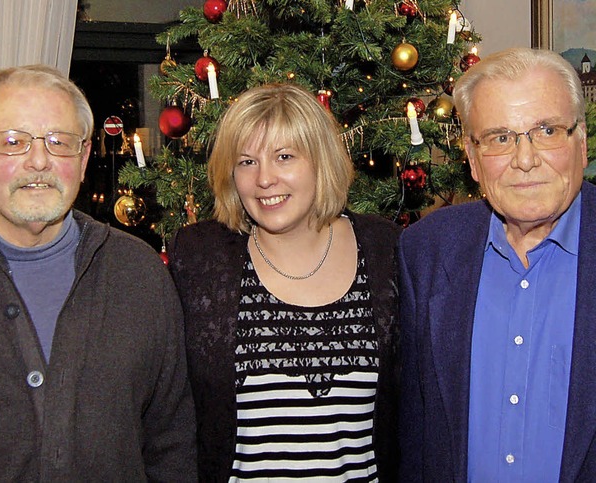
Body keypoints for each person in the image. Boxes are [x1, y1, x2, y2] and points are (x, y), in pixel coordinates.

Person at [0, 64, 197, 481]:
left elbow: (171, 442)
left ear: (84, 159)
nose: (38, 161)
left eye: (59, 142)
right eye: (12, 142)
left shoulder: (138, 274)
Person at [168, 82, 401, 481]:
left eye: (284, 156)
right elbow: (170, 413)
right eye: (246, 162)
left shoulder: (385, 250)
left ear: (321, 162)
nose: (264, 179)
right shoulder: (201, 258)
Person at [398, 47, 596, 481]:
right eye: (501, 138)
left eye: (546, 130)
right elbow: (413, 434)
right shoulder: (426, 252)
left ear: (581, 143)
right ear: (471, 158)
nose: (525, 160)